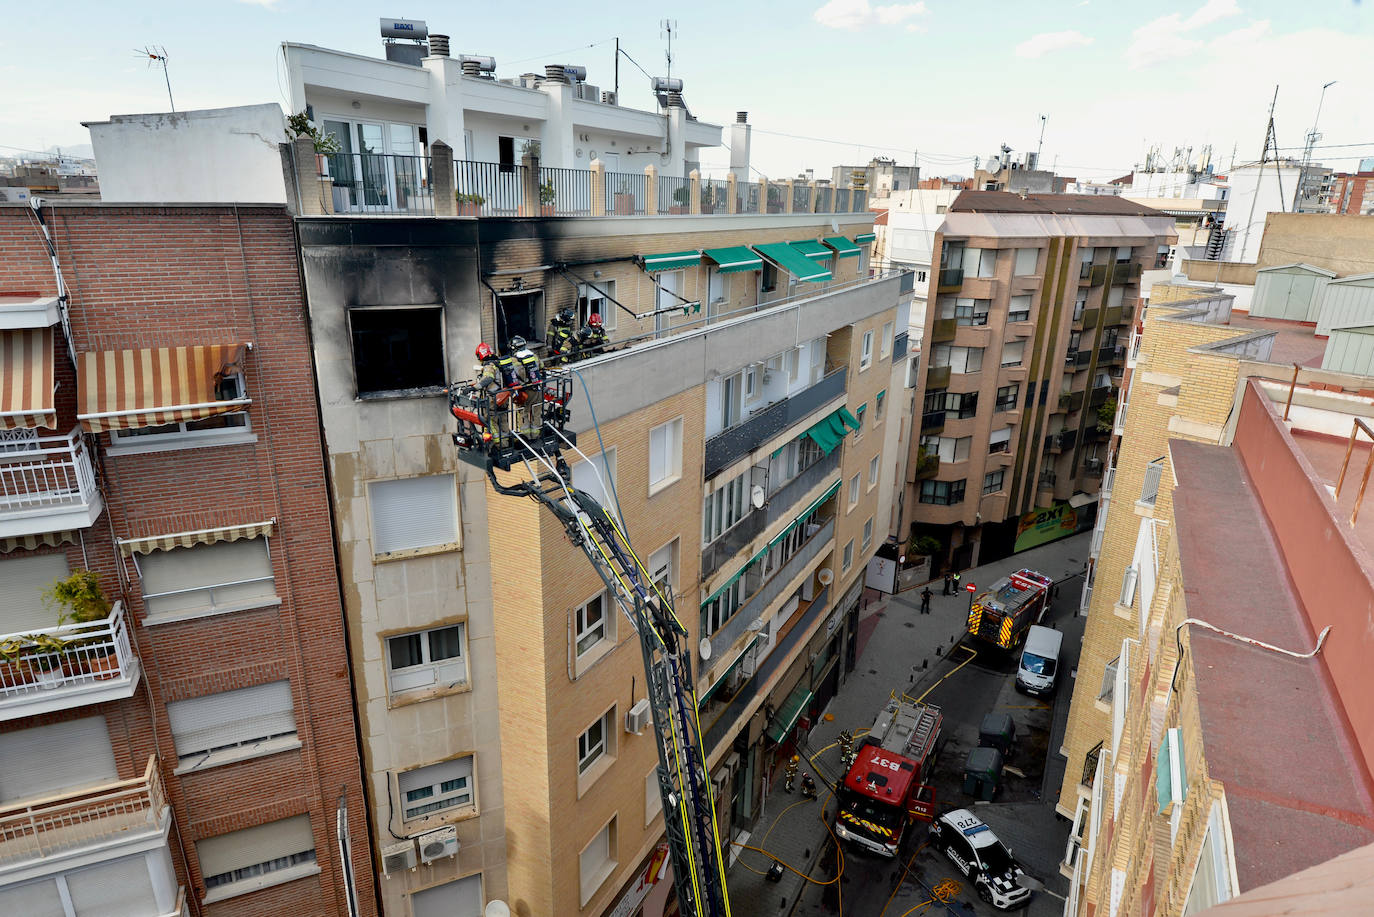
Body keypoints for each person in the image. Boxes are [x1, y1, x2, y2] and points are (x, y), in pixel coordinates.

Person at [509, 335, 543, 436]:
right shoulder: (534, 356)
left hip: (524, 391)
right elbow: (541, 366)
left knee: (523, 413)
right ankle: (535, 435)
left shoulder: (514, 360)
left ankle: (526, 436)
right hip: (537, 389)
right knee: (536, 412)